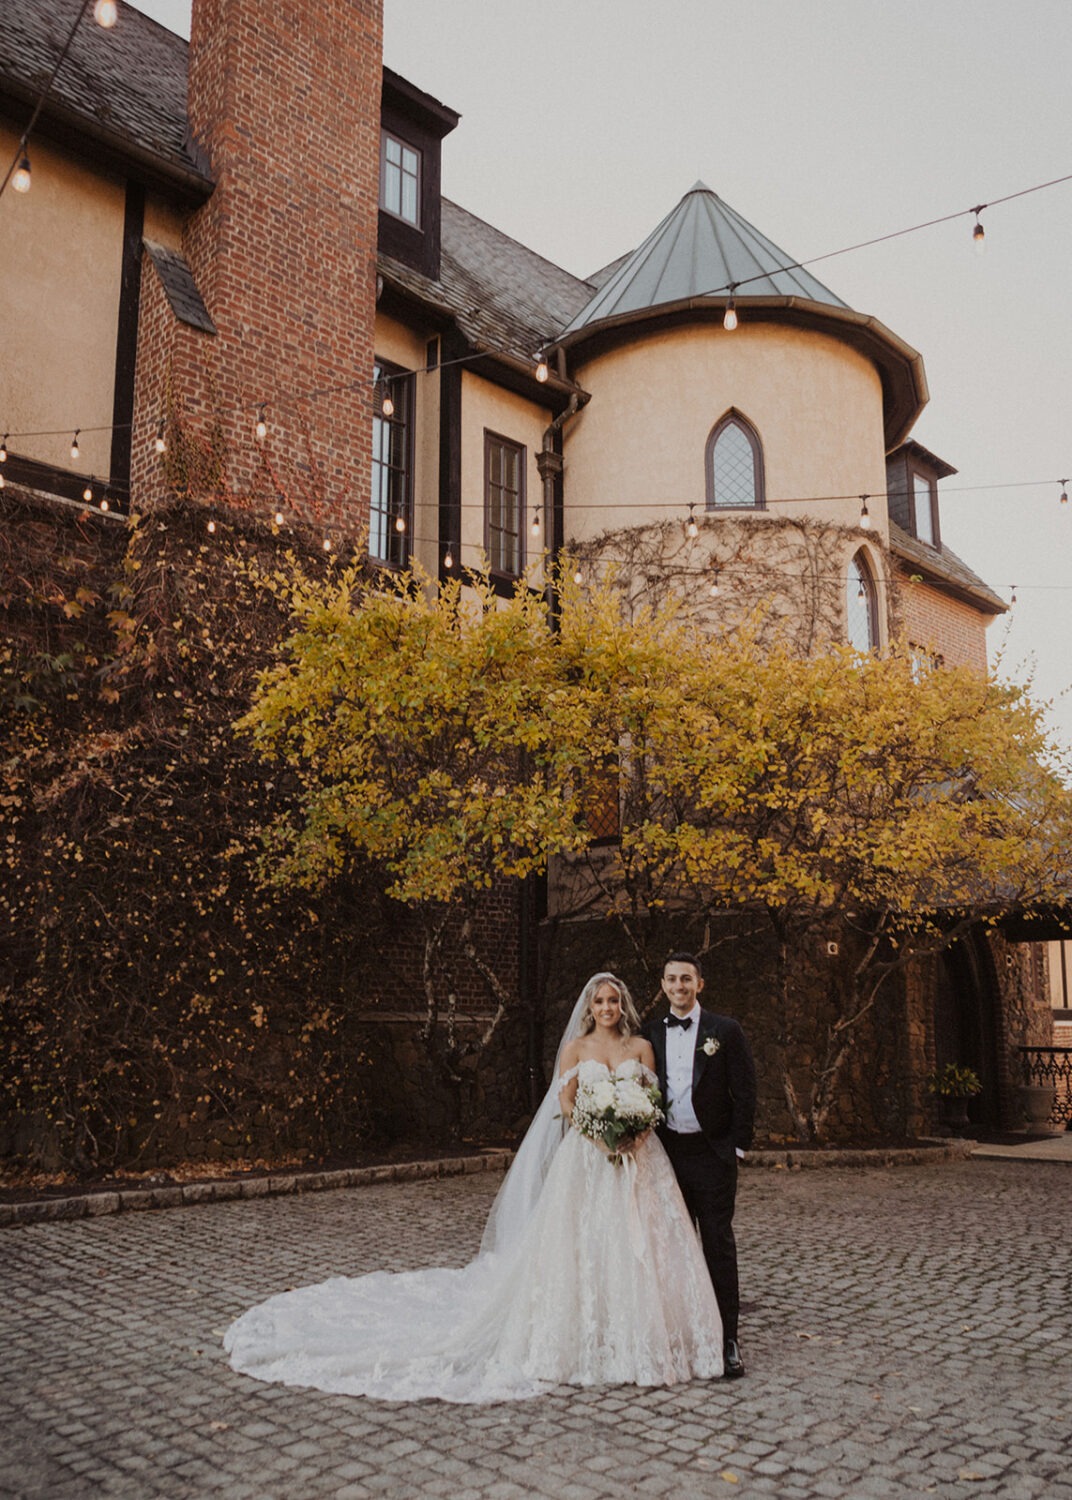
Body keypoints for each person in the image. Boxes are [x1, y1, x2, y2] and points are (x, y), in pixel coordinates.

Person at [224, 973, 724, 1403]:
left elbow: (652, 1099)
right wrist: (598, 1135)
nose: (607, 1009)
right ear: (589, 1008)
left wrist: (633, 1131)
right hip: (589, 1160)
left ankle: (646, 1335)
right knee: (582, 1245)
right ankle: (584, 1336)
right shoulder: (575, 1048)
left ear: (625, 1005)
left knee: (643, 1250)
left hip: (639, 1160)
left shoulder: (640, 1047)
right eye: (599, 1002)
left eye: (614, 1001)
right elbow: (567, 1104)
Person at [646, 952, 757, 1379]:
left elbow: (745, 1090)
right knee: (673, 1247)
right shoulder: (651, 1032)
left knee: (717, 1246)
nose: (679, 986)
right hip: (667, 1155)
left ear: (699, 984)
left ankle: (728, 1339)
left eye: (686, 979)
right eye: (672, 979)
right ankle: (683, 1332)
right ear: (663, 985)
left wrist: (736, 1148)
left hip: (711, 1155)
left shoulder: (724, 1031)